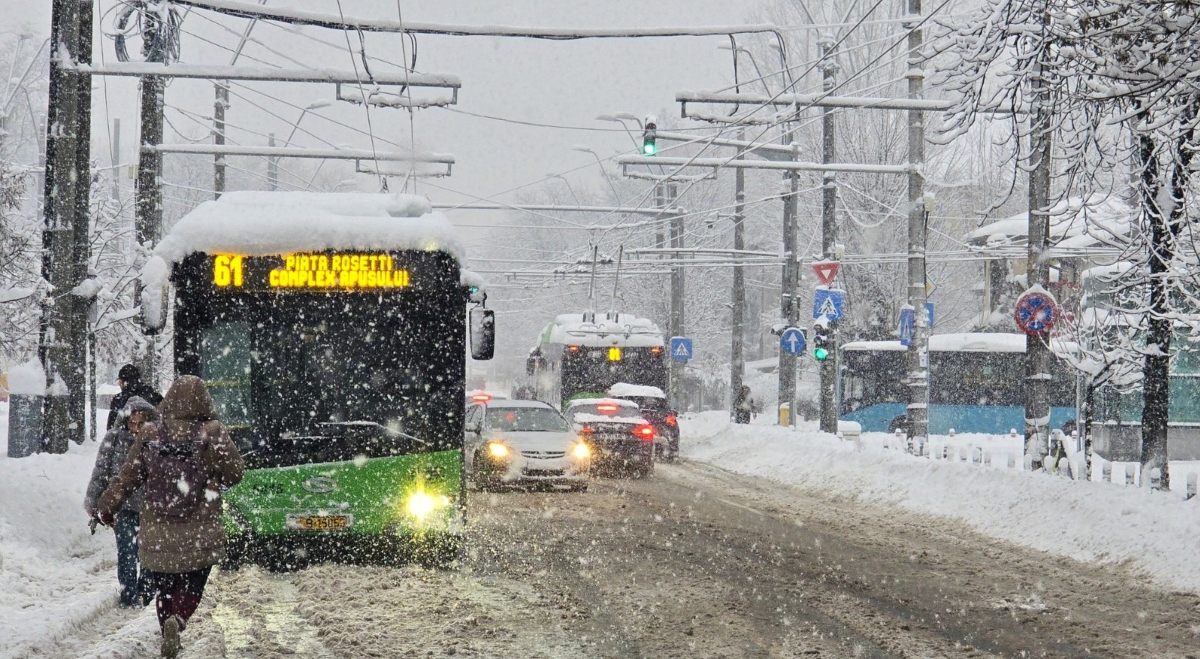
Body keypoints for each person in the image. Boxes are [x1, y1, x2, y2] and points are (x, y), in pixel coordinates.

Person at [96, 376, 244, 658]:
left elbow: (128, 476)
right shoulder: (213, 432)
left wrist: (107, 505)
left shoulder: (151, 432)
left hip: (159, 525)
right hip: (200, 526)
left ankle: (166, 625)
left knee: (165, 583)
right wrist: (213, 476)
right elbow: (235, 473)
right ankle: (180, 618)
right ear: (204, 399)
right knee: (195, 580)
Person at [85, 396, 158, 607]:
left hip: (150, 507)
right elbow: (100, 472)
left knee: (147, 553)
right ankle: (128, 595)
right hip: (123, 506)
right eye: (132, 422)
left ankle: (147, 592)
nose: (135, 427)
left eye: (140, 422)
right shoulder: (114, 438)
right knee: (126, 551)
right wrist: (94, 502)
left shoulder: (156, 440)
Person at [106, 364, 163, 430]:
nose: (119, 384)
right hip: (149, 437)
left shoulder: (119, 399)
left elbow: (111, 428)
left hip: (126, 438)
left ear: (124, 382)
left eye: (120, 381)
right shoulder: (152, 394)